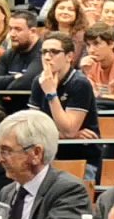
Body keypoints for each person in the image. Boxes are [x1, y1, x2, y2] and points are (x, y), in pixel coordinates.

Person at [29, 32, 101, 182]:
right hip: (48, 158)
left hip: (81, 158)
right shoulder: (39, 81)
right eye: (44, 52)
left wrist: (51, 94)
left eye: (54, 52)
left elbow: (68, 129)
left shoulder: (79, 83)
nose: (47, 57)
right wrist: (64, 134)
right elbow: (33, 129)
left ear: (69, 56)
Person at [0, 9, 43, 93]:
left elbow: (26, 83)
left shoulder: (43, 53)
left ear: (32, 31)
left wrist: (3, 88)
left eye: (18, 29)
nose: (12, 34)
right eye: (10, 29)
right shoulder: (9, 54)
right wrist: (14, 77)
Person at [79, 23, 114, 107]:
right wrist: (85, 73)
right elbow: (88, 97)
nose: (91, 50)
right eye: (88, 45)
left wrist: (96, 96)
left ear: (111, 44)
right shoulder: (90, 63)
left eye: (96, 44)